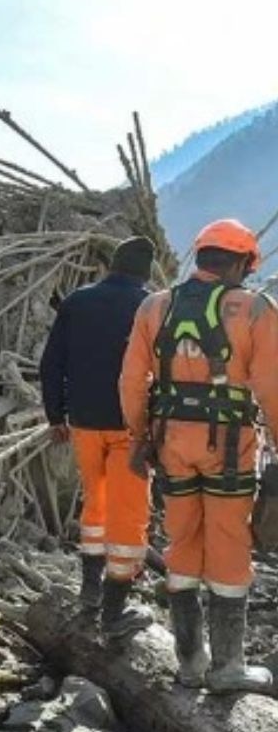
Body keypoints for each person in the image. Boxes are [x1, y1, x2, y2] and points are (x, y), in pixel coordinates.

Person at [121, 218, 278, 693]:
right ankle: (228, 667)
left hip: (170, 443)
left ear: (201, 255)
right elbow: (272, 386)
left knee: (182, 541)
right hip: (228, 447)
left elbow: (131, 381)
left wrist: (138, 437)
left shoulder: (155, 306)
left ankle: (190, 663)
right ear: (240, 263)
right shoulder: (254, 309)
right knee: (229, 543)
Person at [40, 236, 155, 636]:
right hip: (130, 428)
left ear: (112, 265)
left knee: (96, 505)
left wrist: (55, 415)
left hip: (84, 423)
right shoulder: (151, 306)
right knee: (129, 515)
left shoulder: (77, 301)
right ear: (145, 273)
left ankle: (89, 593)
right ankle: (114, 611)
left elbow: (51, 362)